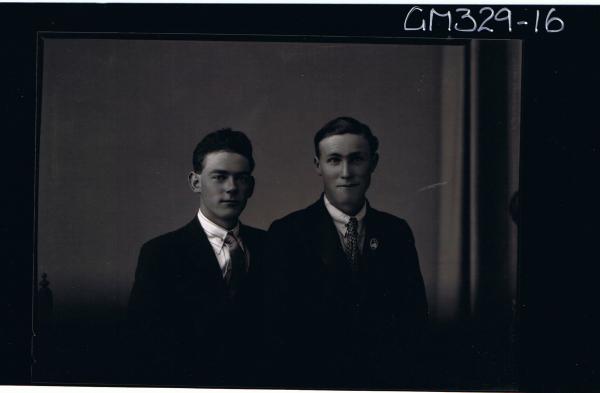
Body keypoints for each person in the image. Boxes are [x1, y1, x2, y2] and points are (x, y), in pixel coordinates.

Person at [264, 117, 428, 389]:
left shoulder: (396, 232)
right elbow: (276, 331)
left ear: (373, 163)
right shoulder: (287, 233)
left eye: (356, 159)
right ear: (318, 165)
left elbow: (414, 323)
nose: (346, 172)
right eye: (334, 160)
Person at [127, 128, 266, 386]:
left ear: (251, 186)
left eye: (241, 178)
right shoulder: (160, 254)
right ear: (195, 182)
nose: (231, 188)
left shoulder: (272, 247)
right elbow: (144, 345)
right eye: (219, 177)